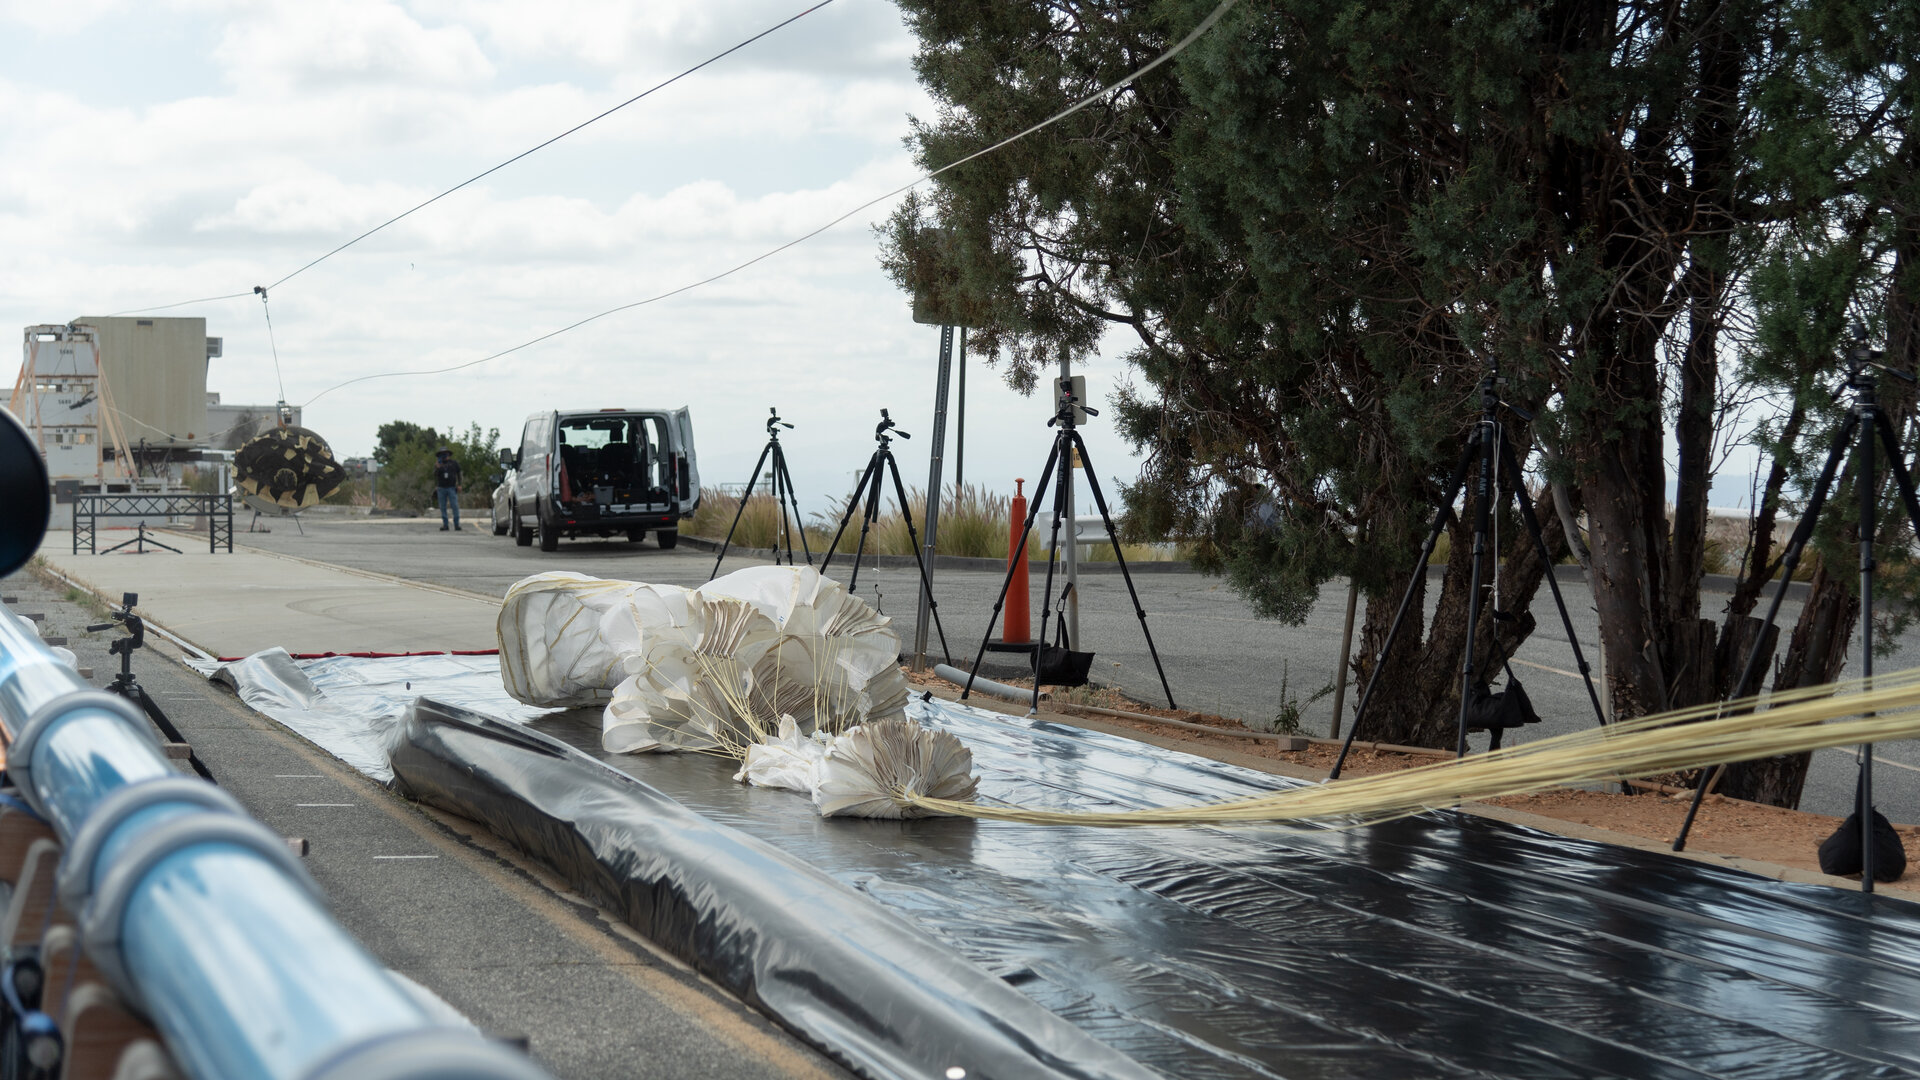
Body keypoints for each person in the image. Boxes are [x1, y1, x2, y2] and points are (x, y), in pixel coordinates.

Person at [433, 447, 463, 531]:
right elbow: (434, 475)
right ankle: (445, 524)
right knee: (442, 507)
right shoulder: (438, 464)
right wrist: (438, 467)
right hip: (441, 488)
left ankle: (456, 524)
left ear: (449, 455)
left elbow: (459, 474)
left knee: (454, 506)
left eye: (445, 454)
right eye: (442, 454)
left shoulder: (454, 463)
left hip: (452, 487)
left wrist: (460, 484)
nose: (444, 456)